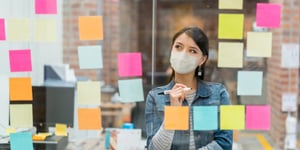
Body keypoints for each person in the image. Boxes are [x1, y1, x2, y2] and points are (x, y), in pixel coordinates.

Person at [145, 26, 232, 150]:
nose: (183, 55)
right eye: (178, 47)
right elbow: (153, 148)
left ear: (202, 59)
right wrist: (173, 113)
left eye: (192, 51)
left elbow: (224, 143)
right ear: (171, 50)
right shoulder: (155, 97)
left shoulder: (218, 94)